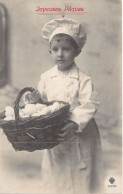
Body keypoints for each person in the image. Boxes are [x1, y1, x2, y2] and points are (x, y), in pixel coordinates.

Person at [25, 18, 103, 194]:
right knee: (57, 174)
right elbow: (42, 106)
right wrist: (34, 100)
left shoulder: (83, 79)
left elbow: (90, 103)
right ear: (50, 51)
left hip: (79, 133)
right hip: (56, 134)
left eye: (66, 49)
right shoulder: (46, 78)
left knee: (80, 175)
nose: (60, 54)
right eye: (55, 49)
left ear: (77, 51)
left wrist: (75, 122)